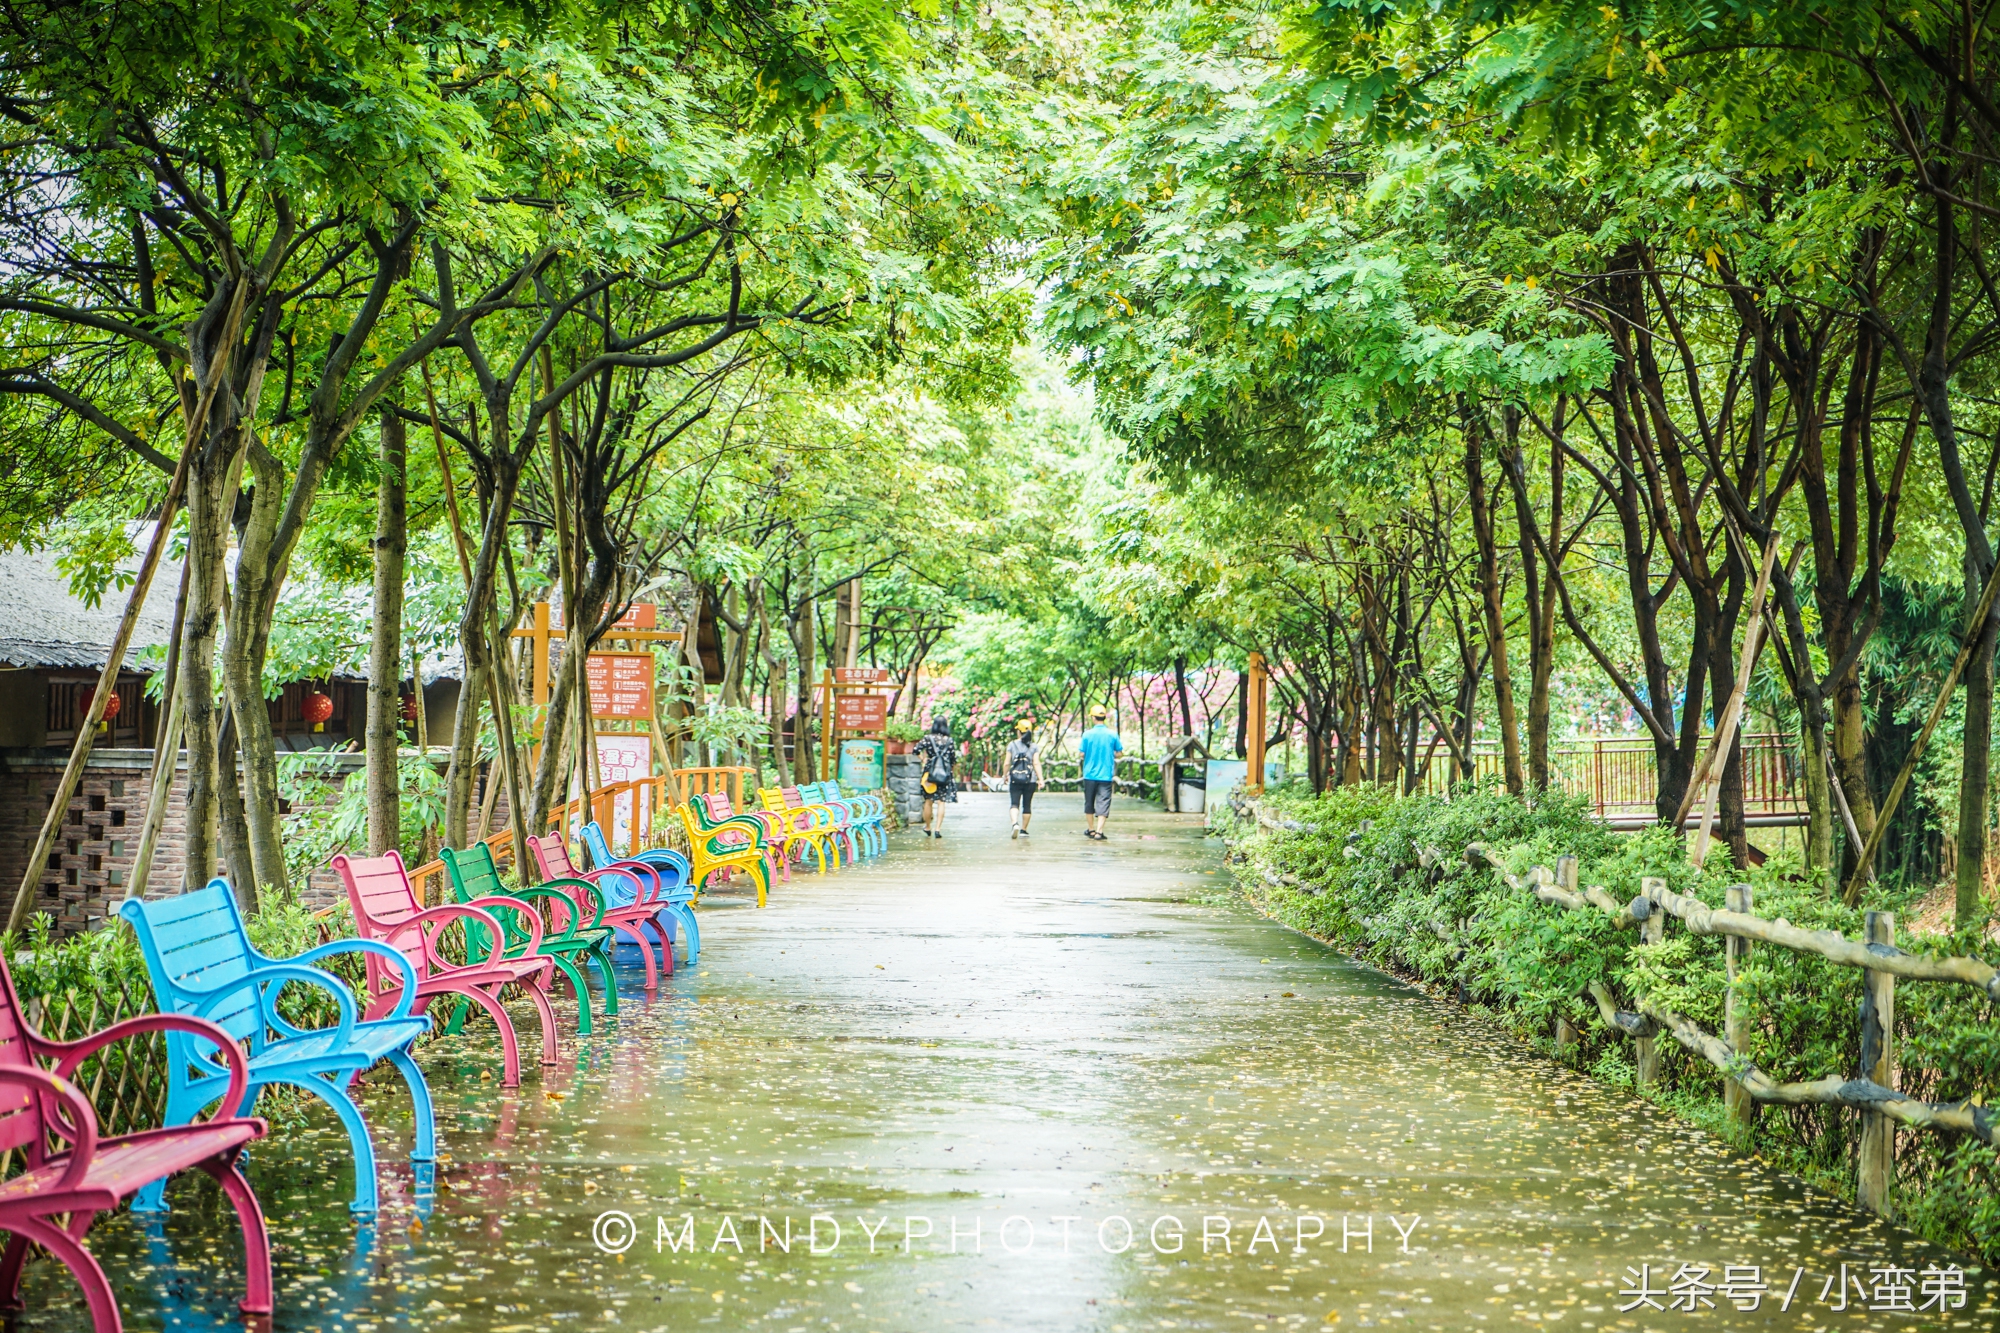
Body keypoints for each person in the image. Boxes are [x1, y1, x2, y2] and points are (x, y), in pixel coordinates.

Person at [1077, 704, 1123, 840]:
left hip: (1089, 774)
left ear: (1093, 717)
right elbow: (1119, 753)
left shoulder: (1087, 734)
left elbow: (1081, 753)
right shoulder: (1112, 734)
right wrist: (1109, 754)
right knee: (1103, 802)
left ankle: (1091, 829)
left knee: (1089, 802)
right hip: (1105, 774)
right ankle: (1099, 831)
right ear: (1104, 717)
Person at [912, 715, 958, 838]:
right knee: (941, 802)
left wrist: (923, 760)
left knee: (928, 801)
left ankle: (928, 827)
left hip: (930, 773)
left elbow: (915, 750)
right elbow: (953, 759)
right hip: (944, 774)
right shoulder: (949, 740)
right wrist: (950, 771)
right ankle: (938, 829)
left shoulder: (928, 738)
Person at [1005, 720, 1043, 839]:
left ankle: (1014, 824)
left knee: (1014, 803)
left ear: (1018, 731)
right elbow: (1036, 763)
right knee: (1027, 805)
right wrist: (1041, 779)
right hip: (1030, 779)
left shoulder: (1012, 745)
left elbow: (1007, 763)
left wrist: (1005, 775)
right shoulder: (1034, 746)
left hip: (1015, 779)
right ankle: (1023, 830)